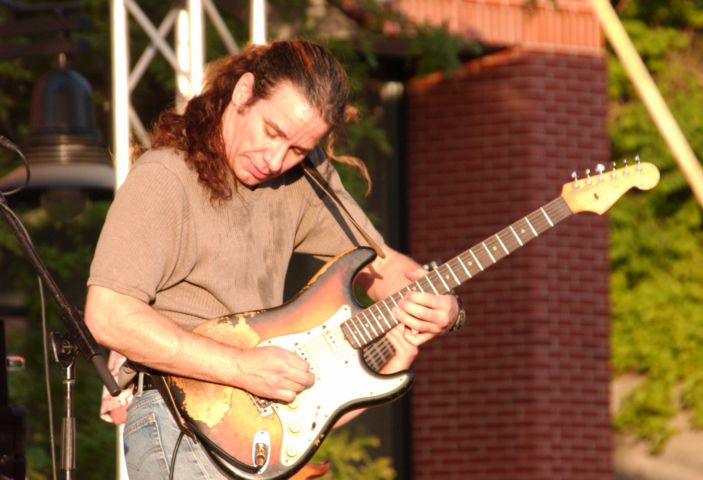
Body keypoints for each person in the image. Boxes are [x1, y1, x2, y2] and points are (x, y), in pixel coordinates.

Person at [84, 40, 460, 479]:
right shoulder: (165, 177)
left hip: (262, 433)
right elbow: (108, 314)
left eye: (299, 150)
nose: (277, 160)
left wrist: (444, 307)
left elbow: (383, 268)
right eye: (273, 133)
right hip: (180, 421)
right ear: (243, 93)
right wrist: (242, 367)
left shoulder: (302, 182)